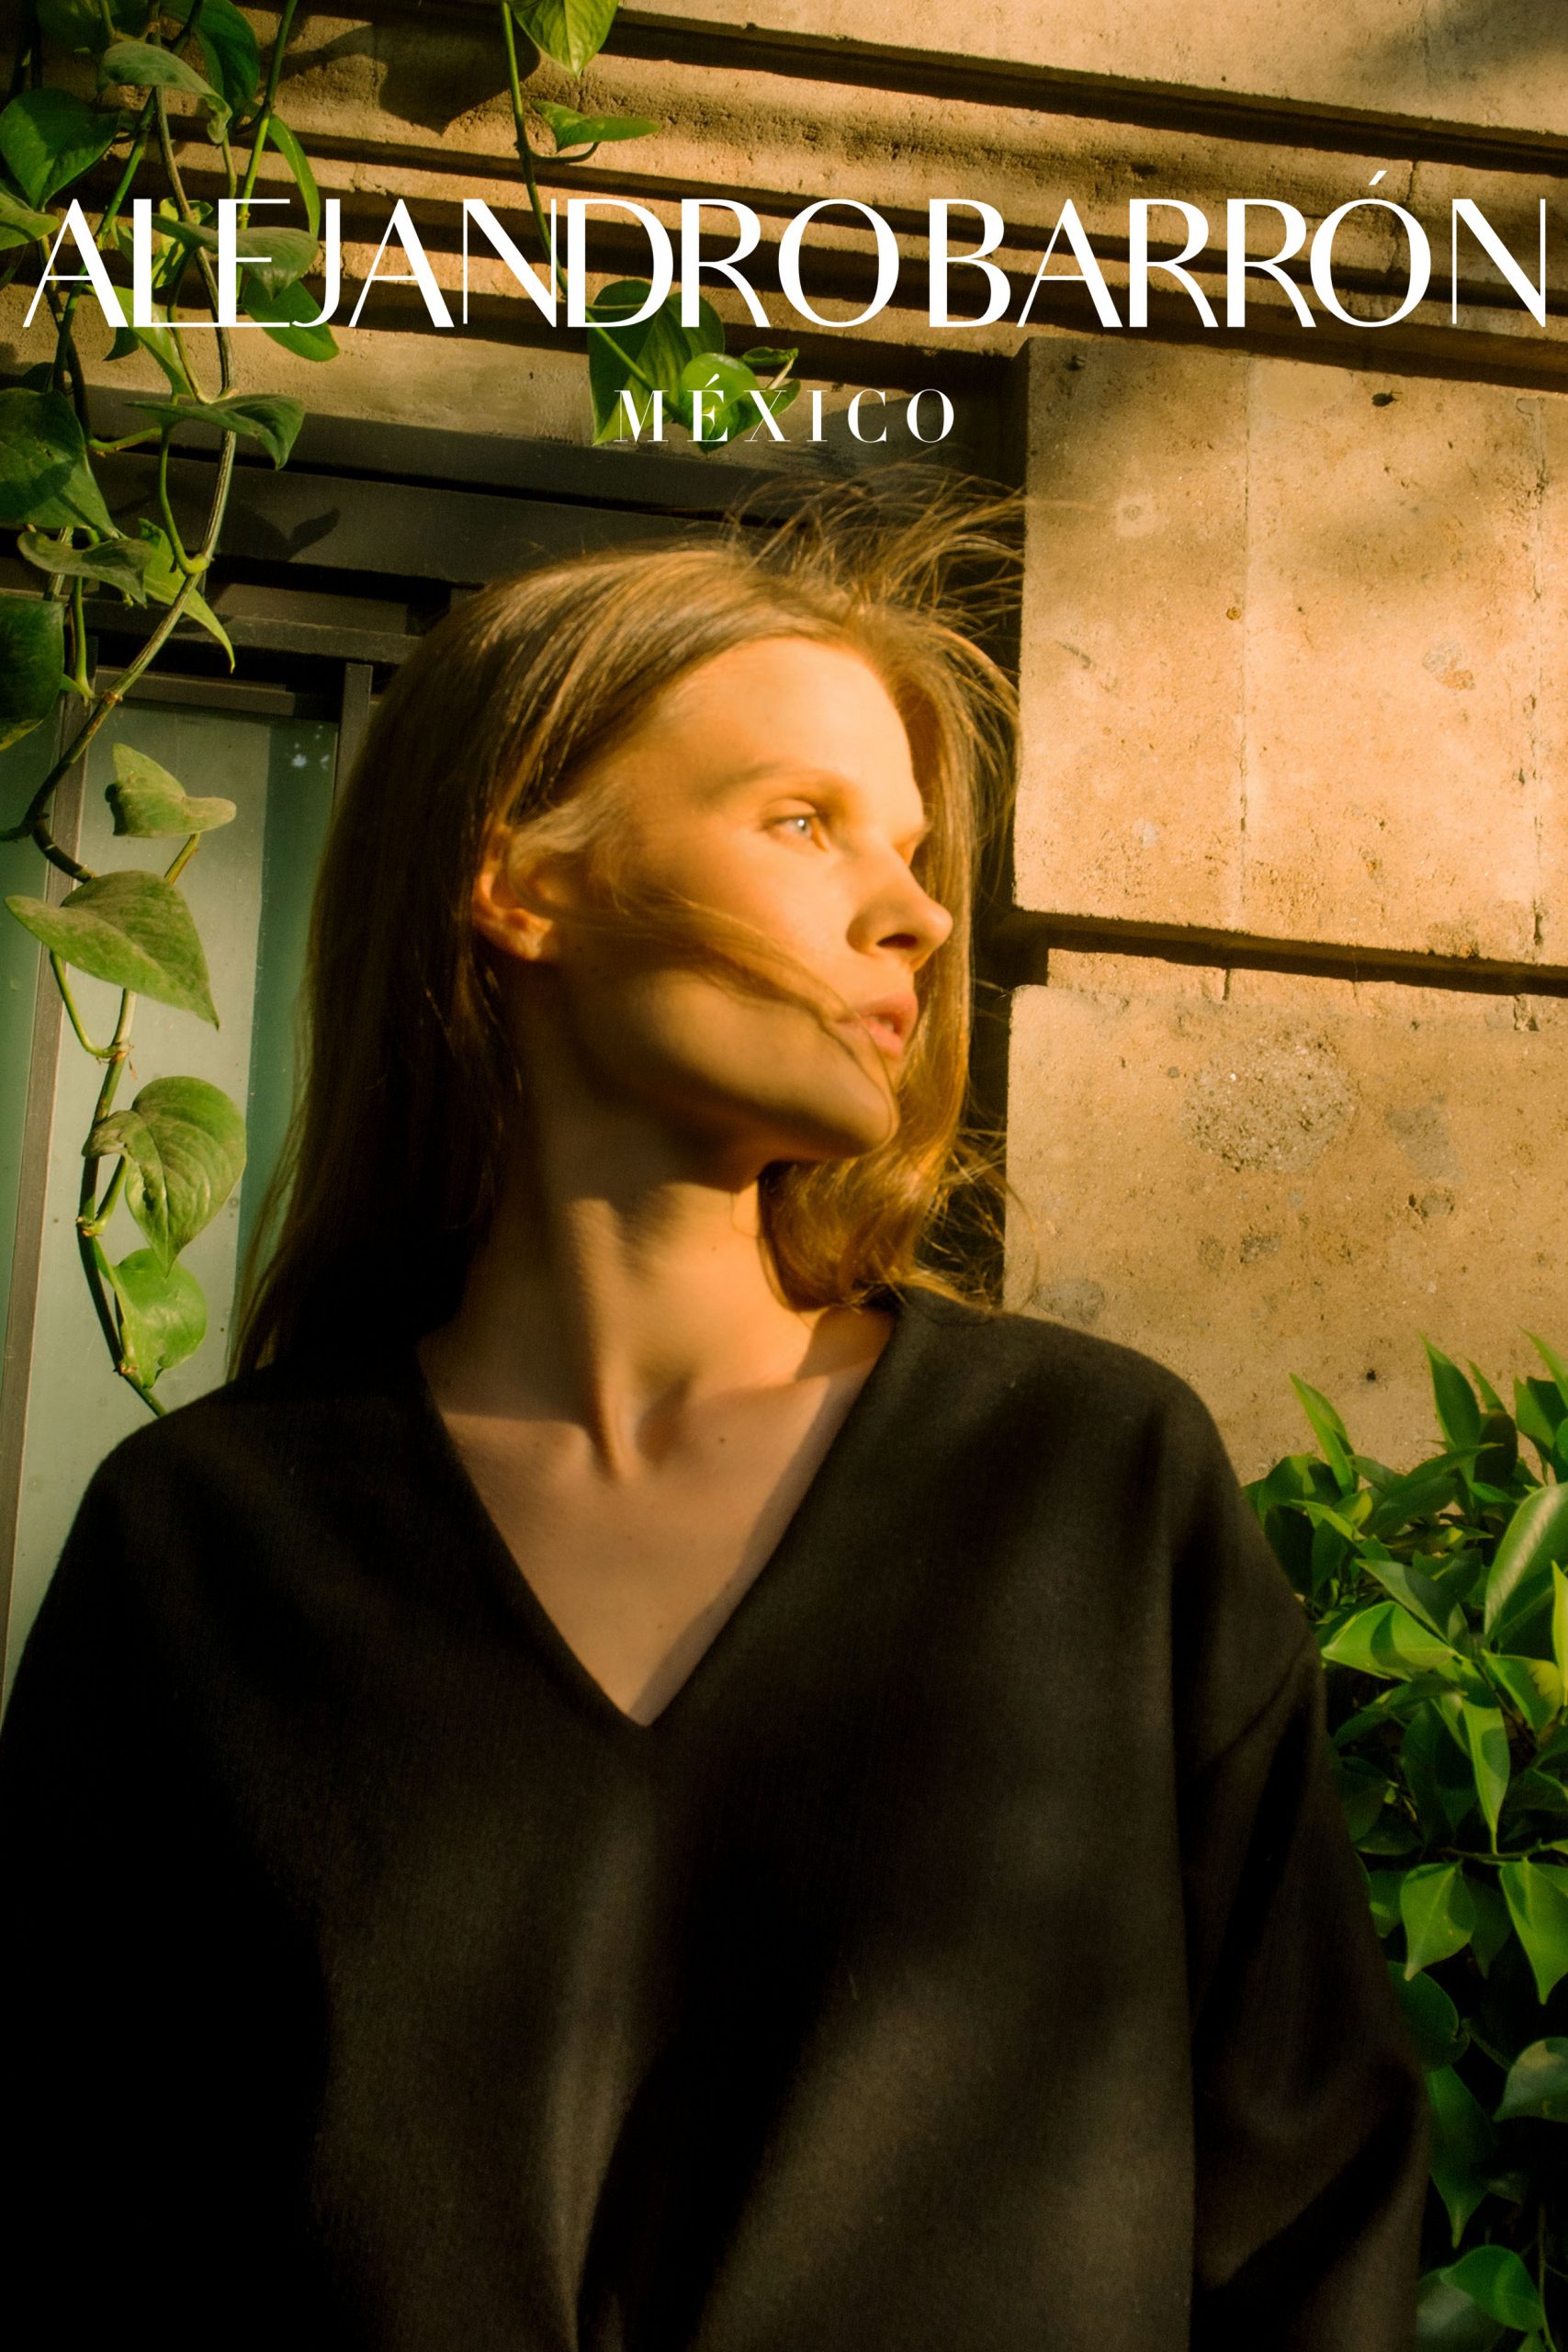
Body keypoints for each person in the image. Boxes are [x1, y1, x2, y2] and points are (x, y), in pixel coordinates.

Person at [0, 485, 1425, 2349]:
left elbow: (1316, 2214)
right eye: (803, 822)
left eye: (912, 848)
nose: (917, 912)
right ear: (519, 881)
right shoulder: (206, 1549)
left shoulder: (1088, 1491)